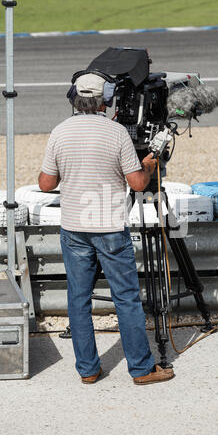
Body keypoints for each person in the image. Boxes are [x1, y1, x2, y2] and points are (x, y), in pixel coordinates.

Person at [38, 72, 175, 385]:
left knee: (78, 299)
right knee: (126, 298)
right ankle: (141, 369)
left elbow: (45, 184)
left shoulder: (59, 132)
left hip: (74, 229)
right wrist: (151, 162)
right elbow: (138, 183)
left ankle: (88, 370)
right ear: (105, 100)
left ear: (74, 98)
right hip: (110, 228)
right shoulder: (116, 133)